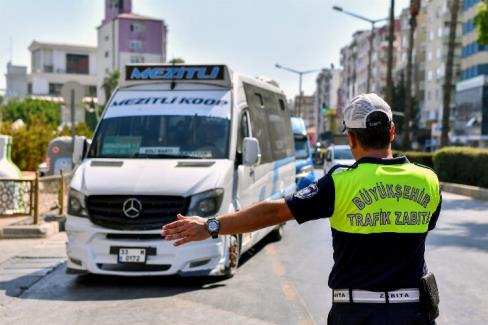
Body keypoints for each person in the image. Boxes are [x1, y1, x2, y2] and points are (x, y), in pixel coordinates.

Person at [162, 93, 442, 325]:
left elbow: (275, 213)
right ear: (392, 131)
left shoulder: (339, 183)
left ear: (351, 139)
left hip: (357, 315)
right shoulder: (428, 180)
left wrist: (211, 226)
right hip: (413, 314)